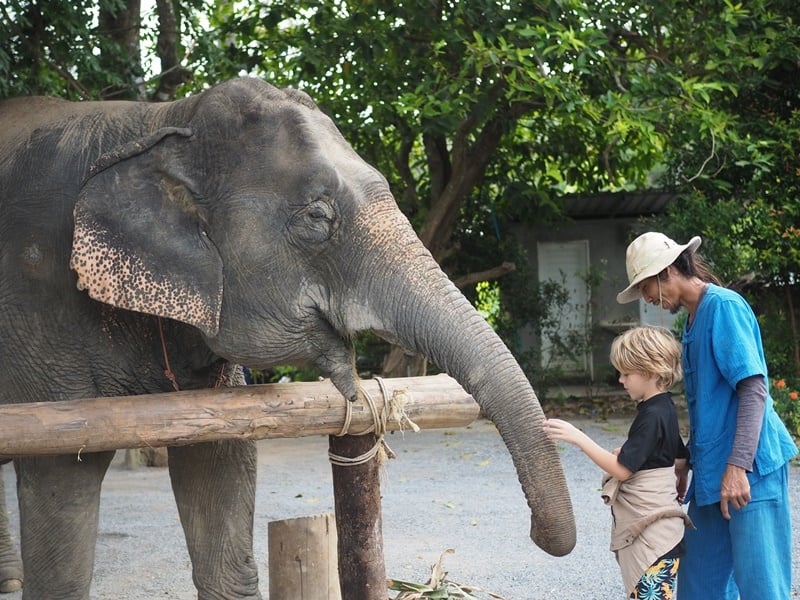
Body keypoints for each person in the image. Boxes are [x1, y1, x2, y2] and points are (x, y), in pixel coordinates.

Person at [616, 231, 798, 599]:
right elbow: (710, 407)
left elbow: (752, 389)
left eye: (646, 287)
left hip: (750, 471)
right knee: (700, 587)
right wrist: (685, 462)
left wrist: (737, 467)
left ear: (666, 271)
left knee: (762, 586)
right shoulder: (691, 321)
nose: (648, 299)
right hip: (713, 472)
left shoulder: (724, 307)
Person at [543, 325, 691, 599]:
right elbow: (679, 458)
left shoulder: (651, 415)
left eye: (626, 373)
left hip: (653, 537)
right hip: (666, 533)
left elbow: (622, 470)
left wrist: (578, 438)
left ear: (649, 371)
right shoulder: (664, 408)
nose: (621, 380)